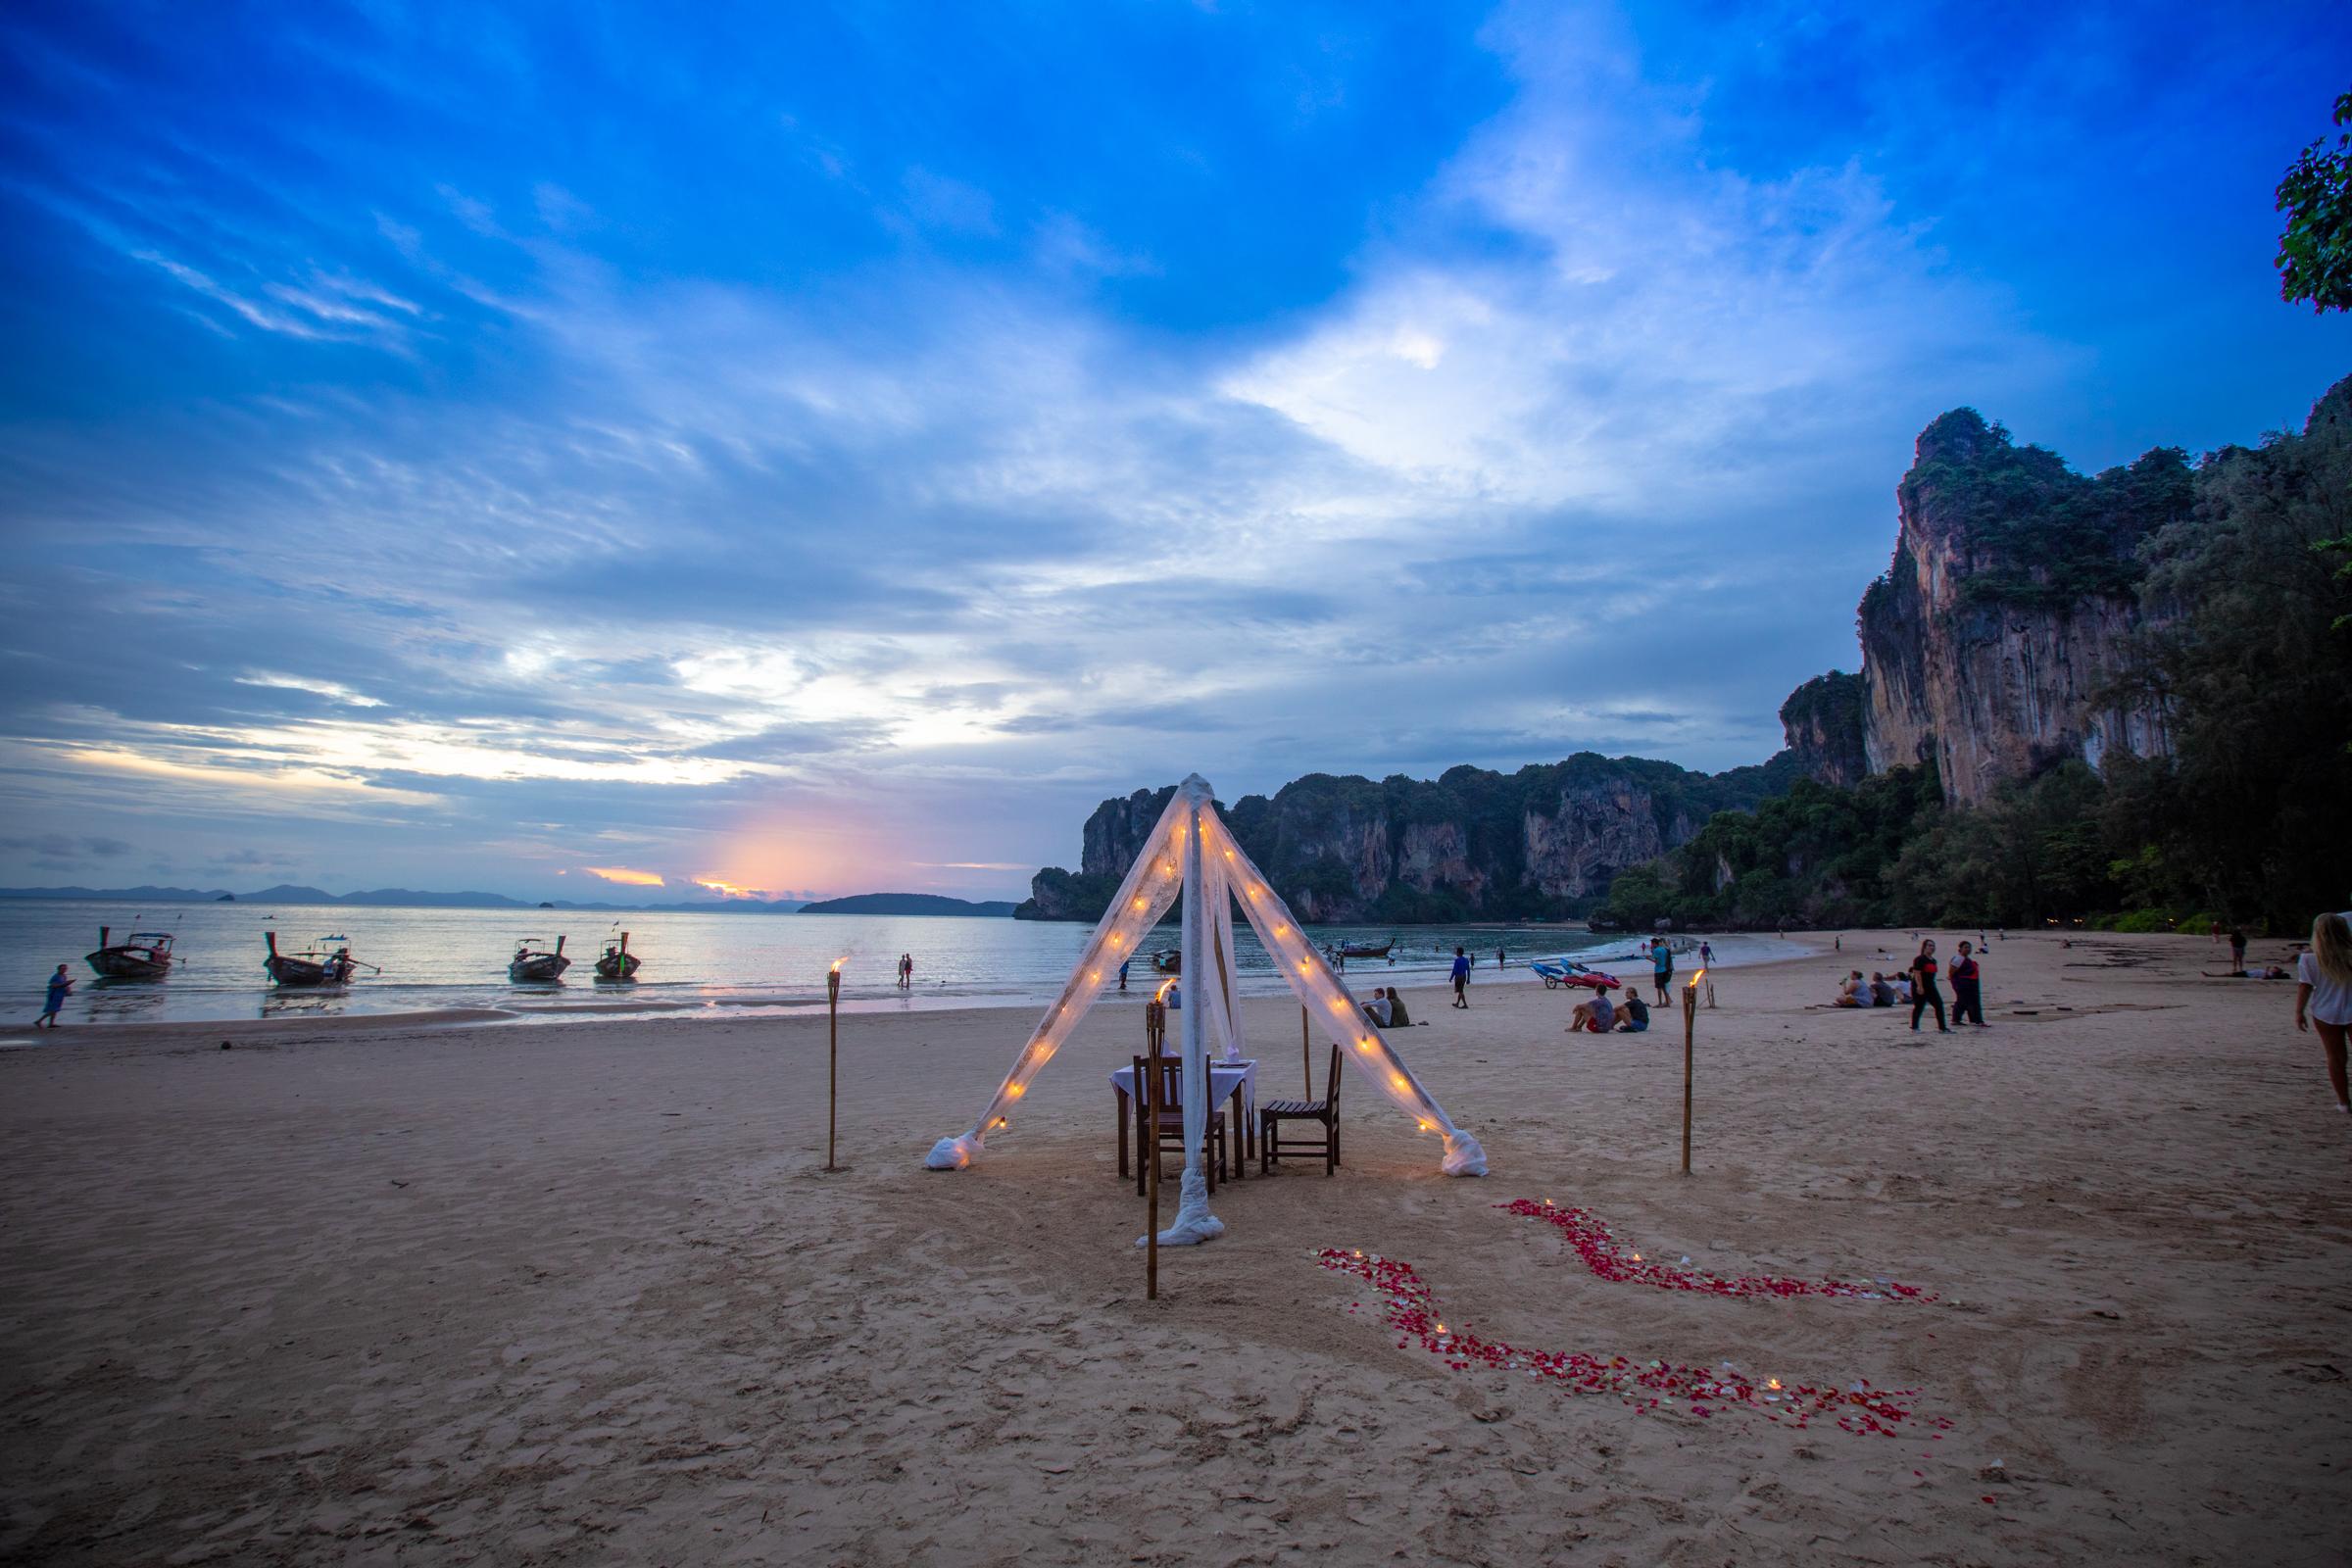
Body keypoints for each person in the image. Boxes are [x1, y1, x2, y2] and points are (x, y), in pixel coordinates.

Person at [2296, 912, 2352, 1114]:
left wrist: (2299, 1012)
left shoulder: (2309, 958)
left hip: (2324, 1011)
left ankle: (2344, 1102)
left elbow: (2305, 987)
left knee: (2335, 1058)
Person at [1908, 939, 1949, 1034]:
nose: (1932, 948)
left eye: (1933, 946)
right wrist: (1919, 986)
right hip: (1920, 985)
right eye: (1930, 945)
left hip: (1931, 986)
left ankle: (1942, 1028)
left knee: (1939, 1005)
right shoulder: (1919, 959)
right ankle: (1915, 1027)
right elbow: (1917, 974)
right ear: (1924, 947)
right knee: (1919, 1006)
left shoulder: (1933, 961)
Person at [1949, 940, 1987, 1027]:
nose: (1968, 949)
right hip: (1963, 984)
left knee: (1965, 1002)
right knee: (1966, 1002)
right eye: (1965, 947)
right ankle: (1975, 1020)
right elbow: (1951, 972)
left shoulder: (1965, 959)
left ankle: (1972, 1020)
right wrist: (1956, 982)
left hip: (1969, 983)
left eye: (1969, 947)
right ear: (1960, 949)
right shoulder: (1959, 958)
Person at [35, 963, 72, 1028]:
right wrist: (63, 985)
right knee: (52, 1010)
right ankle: (39, 1021)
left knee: (56, 1009)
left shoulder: (64, 976)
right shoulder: (55, 976)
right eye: (62, 969)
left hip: (60, 994)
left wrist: (68, 990)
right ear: (59, 969)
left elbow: (65, 984)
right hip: (54, 994)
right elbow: (52, 985)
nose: (64, 970)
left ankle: (51, 1024)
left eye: (65, 969)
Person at [1650, 938, 1673, 1004]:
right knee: (1663, 987)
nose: (1651, 945)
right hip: (1665, 969)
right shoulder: (1664, 949)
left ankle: (1660, 1003)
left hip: (1659, 970)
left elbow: (1657, 962)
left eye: (1652, 943)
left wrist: (1649, 959)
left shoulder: (1656, 950)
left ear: (1654, 943)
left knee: (1659, 988)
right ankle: (1668, 1002)